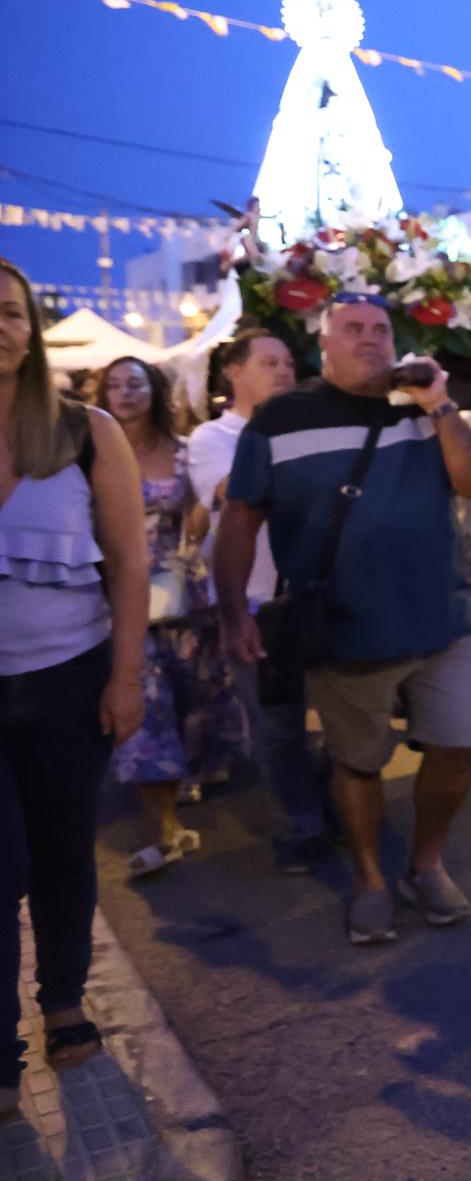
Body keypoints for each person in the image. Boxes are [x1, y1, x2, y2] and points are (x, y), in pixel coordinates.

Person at [213, 293, 471, 946]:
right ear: (324, 343)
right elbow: (240, 515)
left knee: (455, 751)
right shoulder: (281, 418)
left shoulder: (424, 410)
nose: (369, 337)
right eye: (353, 328)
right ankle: (372, 877)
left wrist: (441, 404)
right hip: (345, 627)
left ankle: (425, 863)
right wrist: (233, 610)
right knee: (359, 762)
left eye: (380, 328)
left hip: (443, 617)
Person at [0, 258, 147, 1118]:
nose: (2, 326)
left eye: (13, 312)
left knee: (60, 851)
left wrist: (126, 676)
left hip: (67, 677)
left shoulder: (87, 430)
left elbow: (129, 560)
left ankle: (62, 999)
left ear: (31, 326)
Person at [96, 356, 249, 877]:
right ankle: (164, 827)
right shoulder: (90, 456)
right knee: (145, 712)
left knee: (193, 704)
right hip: (121, 603)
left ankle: (183, 782)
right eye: (113, 385)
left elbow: (199, 513)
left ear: (153, 392)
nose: (124, 393)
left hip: (184, 597)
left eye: (134, 383)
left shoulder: (184, 453)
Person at [188, 331, 331, 874]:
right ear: (233, 372)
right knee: (278, 725)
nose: (283, 372)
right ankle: (302, 823)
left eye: (289, 363)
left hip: (319, 595)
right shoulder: (213, 436)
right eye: (269, 362)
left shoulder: (308, 425)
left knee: (349, 719)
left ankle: (329, 801)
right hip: (258, 602)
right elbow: (233, 492)